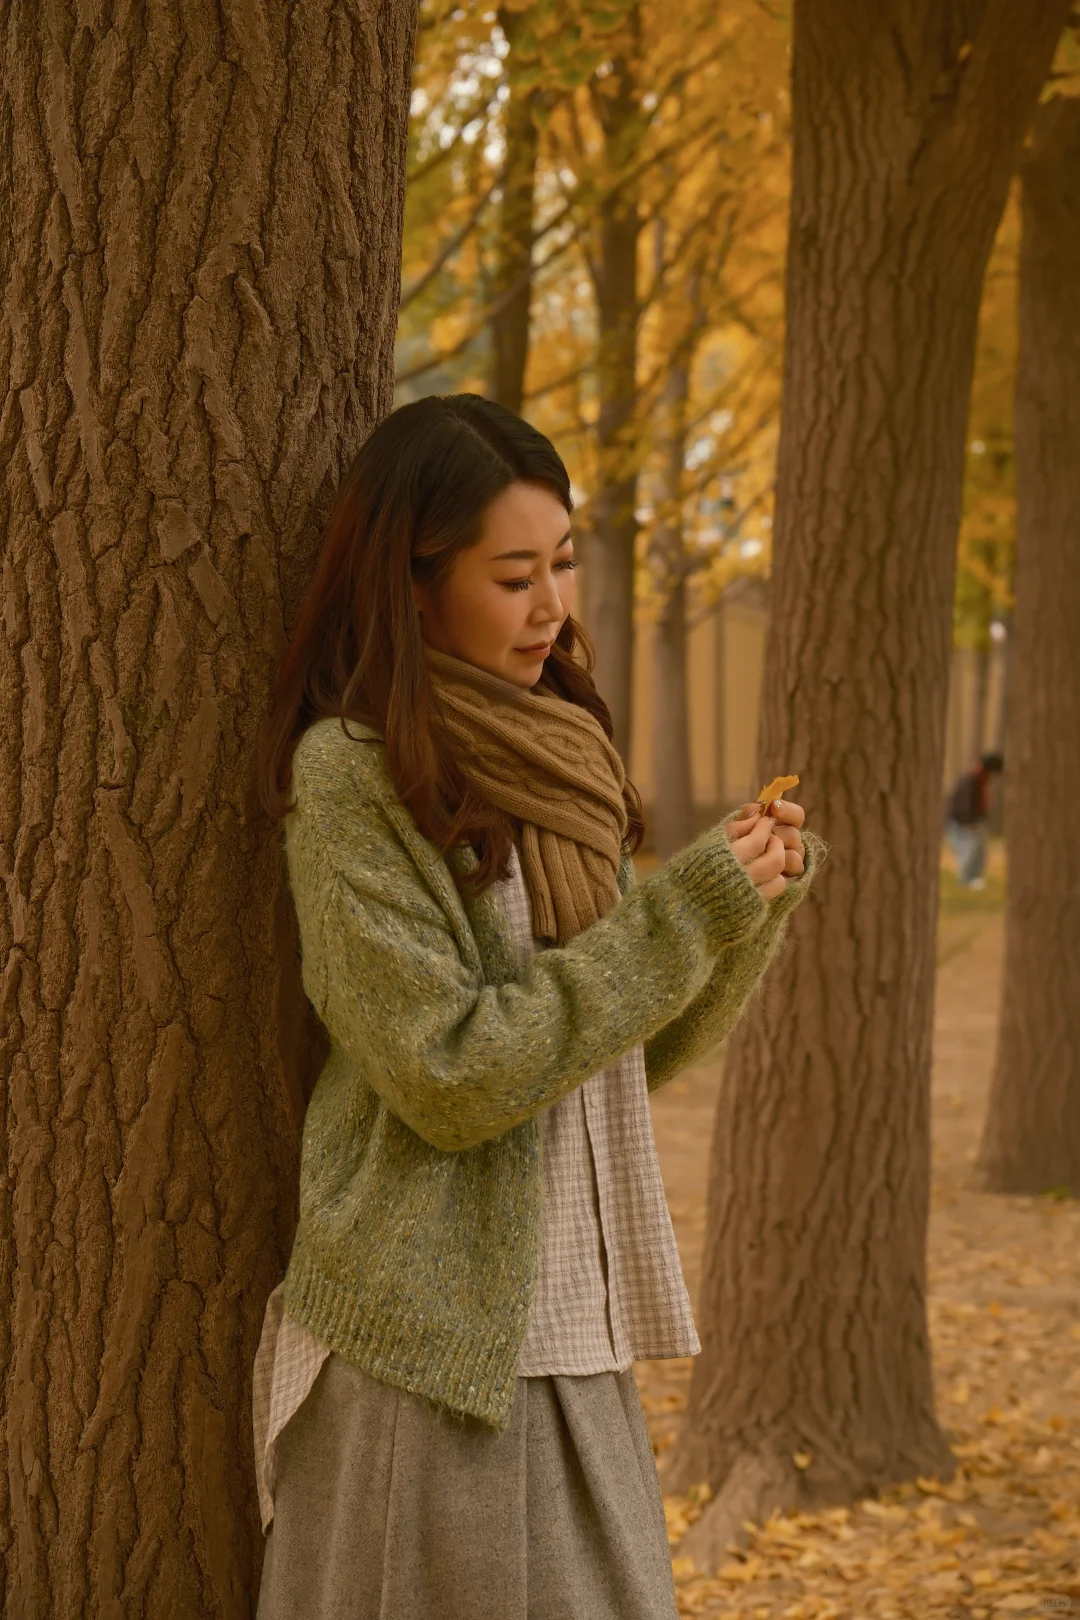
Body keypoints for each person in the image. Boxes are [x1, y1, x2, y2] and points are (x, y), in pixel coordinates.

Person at [252, 393, 825, 1620]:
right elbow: (454, 1072)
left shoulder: (563, 753)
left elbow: (624, 1050)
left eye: (561, 562)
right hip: (428, 1350)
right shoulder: (352, 777)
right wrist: (686, 916)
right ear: (413, 584)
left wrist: (741, 912)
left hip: (577, 1332)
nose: (553, 606)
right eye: (514, 575)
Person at [943, 752, 1003, 889]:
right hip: (962, 822)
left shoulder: (980, 780)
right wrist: (968, 822)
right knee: (968, 849)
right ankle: (966, 879)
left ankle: (974, 877)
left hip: (973, 820)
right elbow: (963, 803)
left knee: (979, 850)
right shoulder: (970, 780)